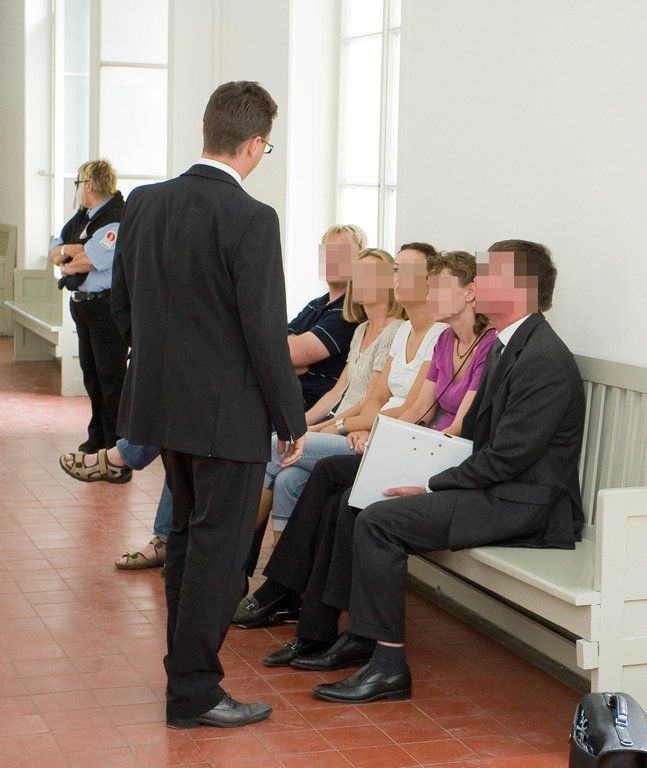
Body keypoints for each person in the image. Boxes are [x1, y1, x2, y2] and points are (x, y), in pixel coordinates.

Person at [311, 239, 586, 704]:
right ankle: (360, 636)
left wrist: (430, 484)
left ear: (519, 288)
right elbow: (476, 438)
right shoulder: (508, 345)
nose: (478, 283)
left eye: (489, 274)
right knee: (360, 498)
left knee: (380, 521)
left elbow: (508, 458)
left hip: (524, 503)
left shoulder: (542, 359)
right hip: (499, 488)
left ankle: (388, 668)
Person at [111, 81, 307, 729]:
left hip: (164, 407)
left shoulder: (145, 202)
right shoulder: (252, 218)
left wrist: (161, 367)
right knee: (219, 558)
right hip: (229, 418)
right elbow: (264, 331)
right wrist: (290, 420)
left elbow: (122, 305)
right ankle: (193, 690)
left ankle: (184, 678)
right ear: (254, 144)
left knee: (187, 540)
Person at [250, 250, 498, 663]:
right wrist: (380, 436)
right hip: (415, 442)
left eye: (438, 286)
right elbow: (418, 410)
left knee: (343, 496)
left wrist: (383, 440)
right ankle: (311, 624)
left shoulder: (487, 347)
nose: (431, 292)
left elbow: (457, 428)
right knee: (330, 486)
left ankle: (298, 607)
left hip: (441, 456)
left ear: (469, 294)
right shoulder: (446, 341)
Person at [234, 242, 446, 628]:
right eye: (395, 270)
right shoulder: (391, 331)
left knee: (274, 448)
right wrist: (312, 426)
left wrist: (342, 427)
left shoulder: (433, 334)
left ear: (430, 282)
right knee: (289, 478)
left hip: (388, 438)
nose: (396, 279)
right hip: (365, 428)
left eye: (401, 271)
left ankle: (230, 561)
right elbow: (362, 396)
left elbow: (416, 410)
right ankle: (287, 591)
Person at [255, 247, 405, 544]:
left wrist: (324, 428)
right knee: (287, 480)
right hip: (336, 425)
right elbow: (338, 391)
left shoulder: (396, 330)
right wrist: (300, 424)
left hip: (353, 432)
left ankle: (230, 549)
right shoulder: (361, 329)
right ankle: (282, 571)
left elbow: (368, 400)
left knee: (275, 447)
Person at [49, 159, 127, 452]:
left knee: (111, 379)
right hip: (83, 307)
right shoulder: (83, 217)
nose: (77, 189)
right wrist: (73, 250)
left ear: (90, 185)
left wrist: (70, 259)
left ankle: (115, 446)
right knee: (92, 376)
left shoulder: (115, 218)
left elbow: (88, 261)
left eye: (78, 183)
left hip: (106, 309)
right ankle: (97, 437)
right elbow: (54, 249)